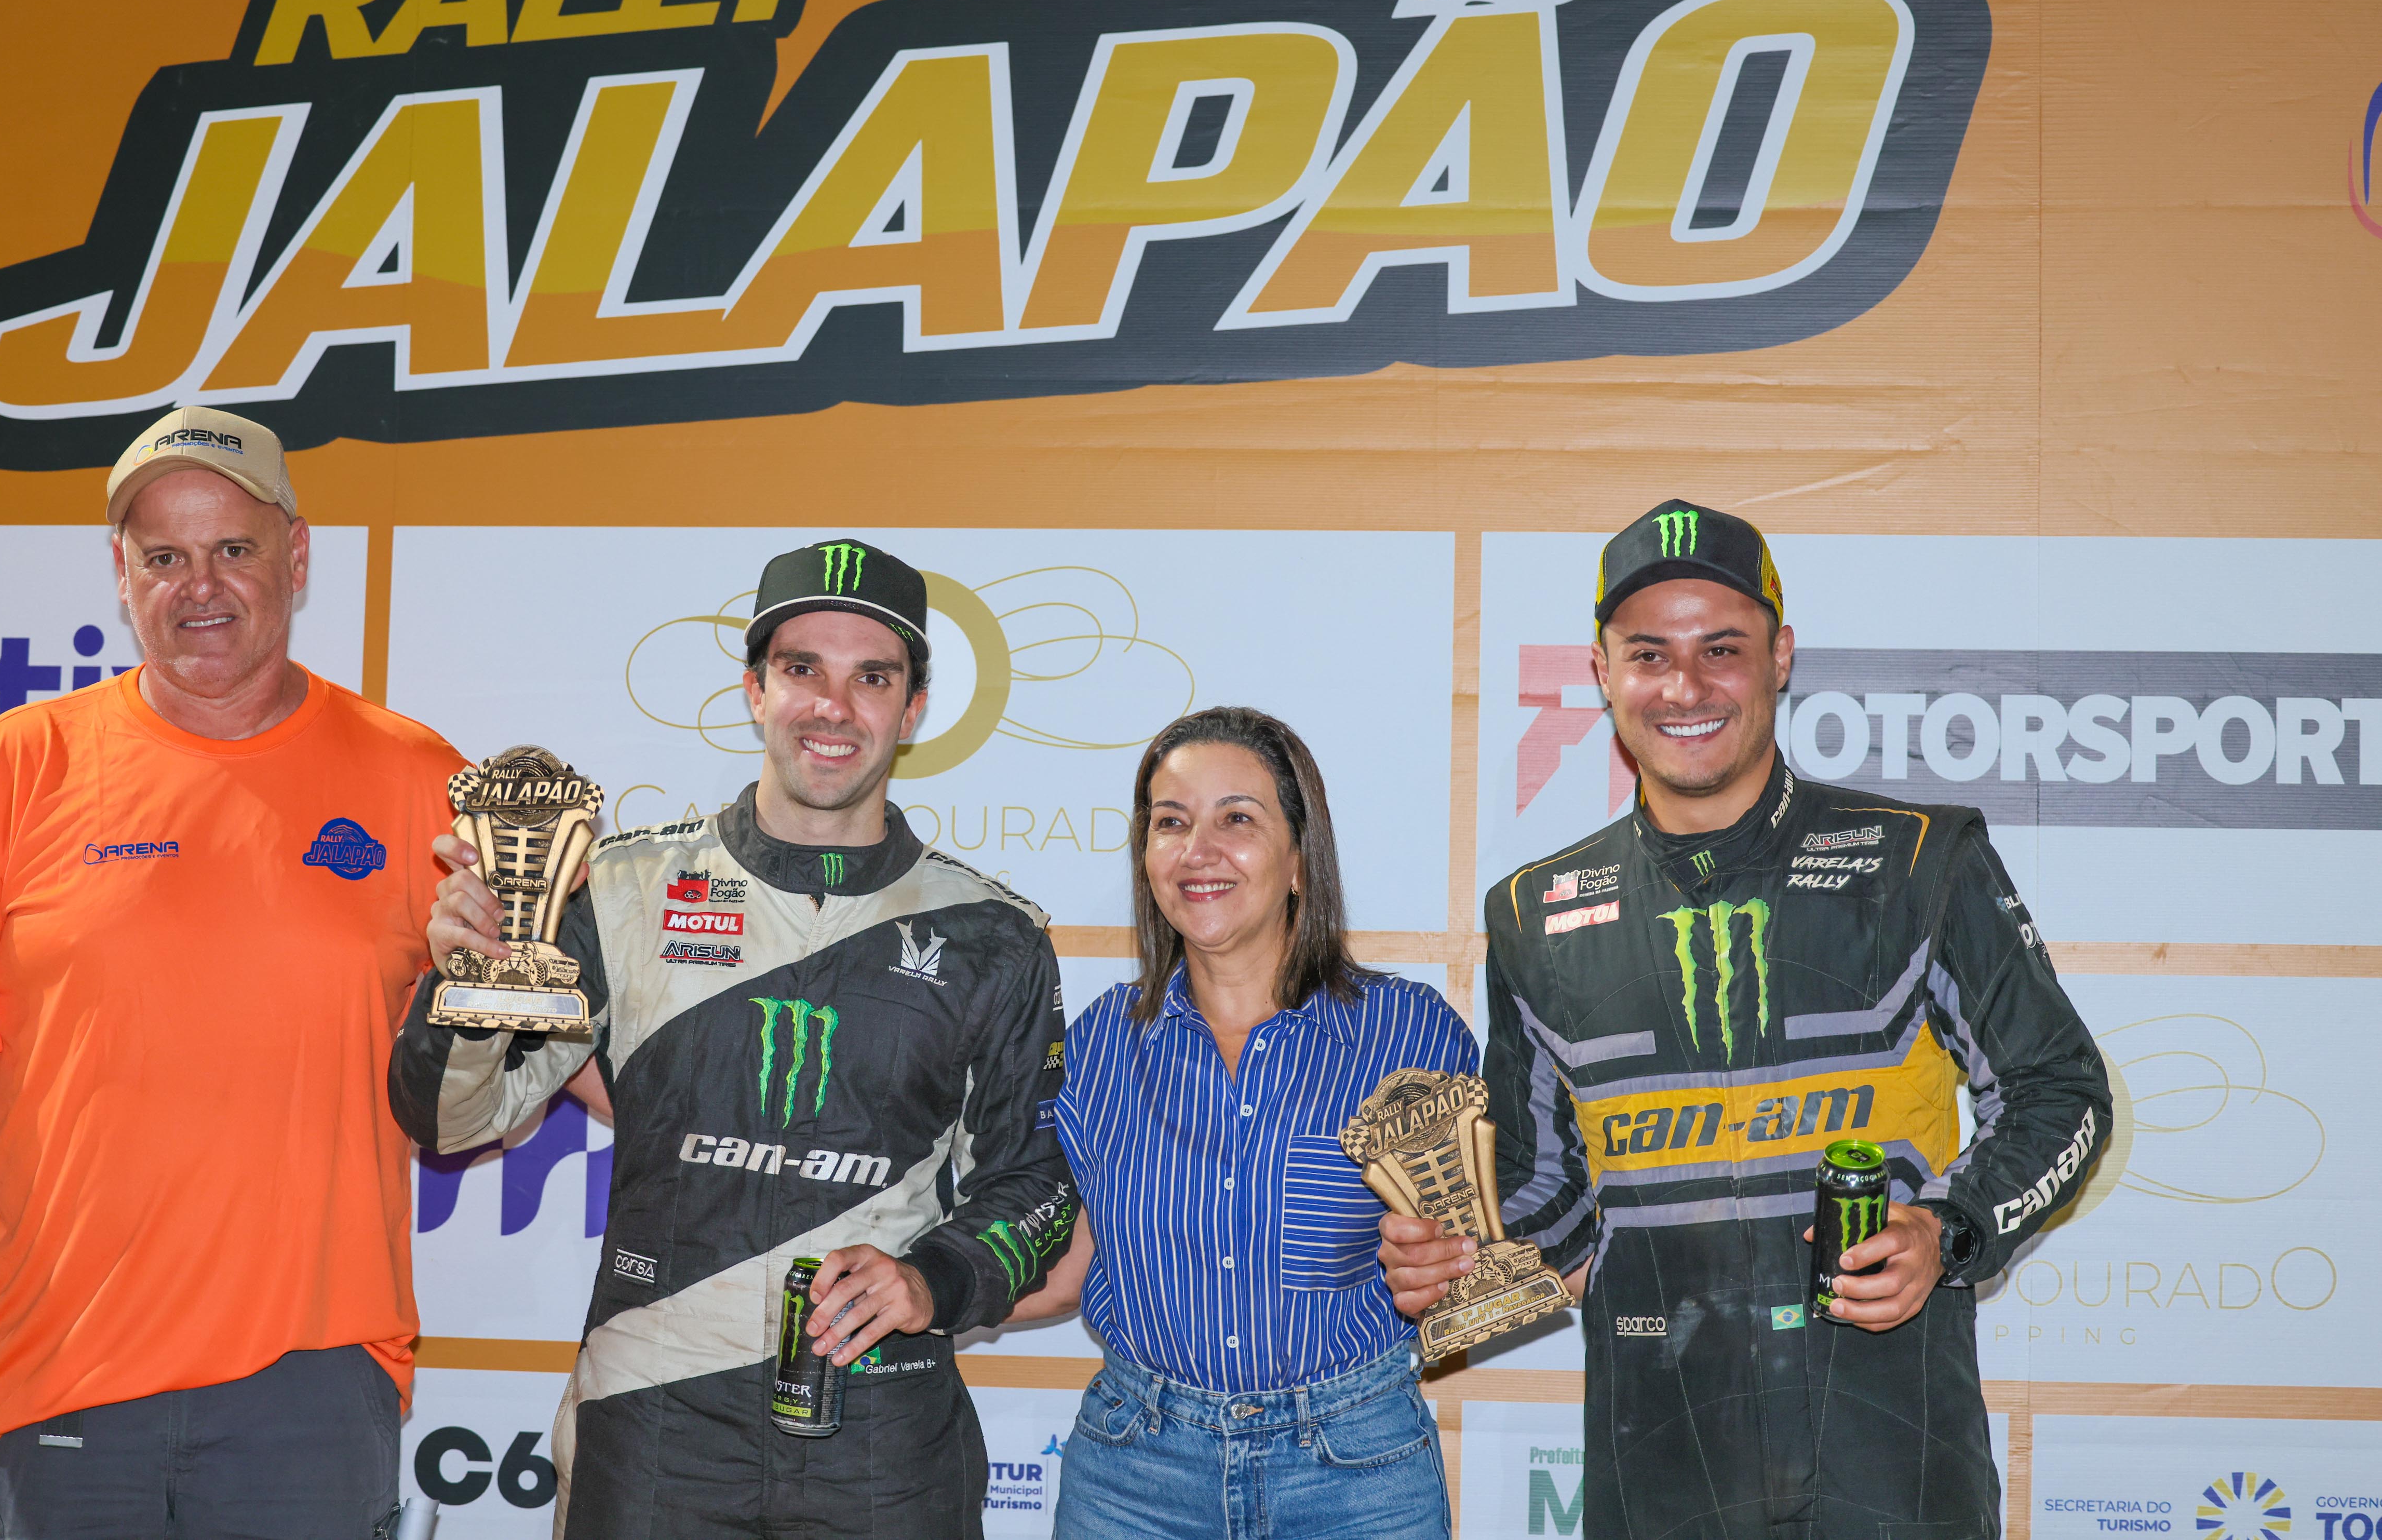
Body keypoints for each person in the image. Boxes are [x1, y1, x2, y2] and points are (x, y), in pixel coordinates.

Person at [0, 406, 465, 1538]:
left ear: (297, 558)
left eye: (233, 549)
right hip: (62, 1378)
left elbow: (536, 1035)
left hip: (309, 1386)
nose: (199, 586)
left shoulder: (419, 780)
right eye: (165, 557)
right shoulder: (15, 768)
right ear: (122, 572)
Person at [1380, 499, 2114, 1540]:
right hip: (1660, 1460)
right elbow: (1549, 1193)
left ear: (1780, 656)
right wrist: (1455, 1257)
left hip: (1888, 1451)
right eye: (1649, 653)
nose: (1685, 686)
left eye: (1721, 647)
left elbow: (2061, 1093)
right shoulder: (1536, 910)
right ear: (1601, 672)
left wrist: (1945, 1229)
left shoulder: (1917, 857)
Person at [391, 536, 1076, 1539]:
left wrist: (934, 1279)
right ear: (755, 690)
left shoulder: (993, 936)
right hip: (653, 1421)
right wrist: (466, 980)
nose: (832, 707)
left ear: (913, 709)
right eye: (803, 669)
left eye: (871, 677)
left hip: (884, 1431)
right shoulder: (617, 889)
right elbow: (451, 1119)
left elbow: (1038, 1180)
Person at [1014, 707, 1466, 1540]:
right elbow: (1066, 1262)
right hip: (1135, 1473)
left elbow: (1460, 1272)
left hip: (1355, 1472)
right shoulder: (1100, 1044)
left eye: (1238, 819)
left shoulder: (1409, 1033)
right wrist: (916, 1287)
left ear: (1300, 857)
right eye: (1171, 822)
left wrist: (1442, 1270)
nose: (1198, 850)